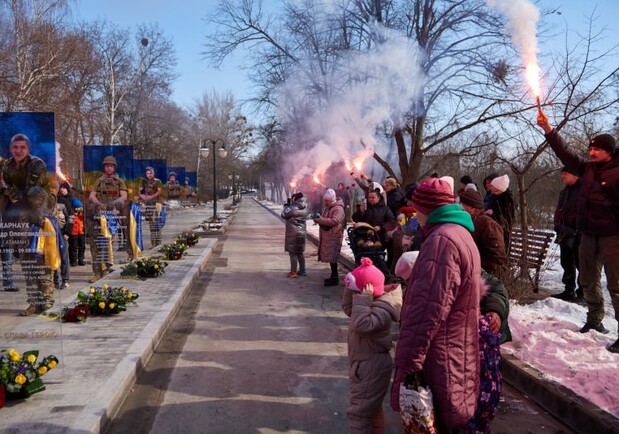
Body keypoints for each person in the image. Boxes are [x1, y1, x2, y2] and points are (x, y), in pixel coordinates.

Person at [390, 177, 482, 431]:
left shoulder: (441, 241)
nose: (414, 214)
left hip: (438, 353)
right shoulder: (460, 233)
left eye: (416, 208)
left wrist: (408, 361)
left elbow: (427, 311)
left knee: (434, 422)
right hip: (456, 348)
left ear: (425, 209)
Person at [537, 110, 619, 352]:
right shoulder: (587, 168)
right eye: (591, 148)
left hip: (612, 235)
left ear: (609, 151)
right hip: (587, 233)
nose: (591, 152)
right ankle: (594, 321)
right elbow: (564, 152)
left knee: (616, 284)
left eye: (598, 149)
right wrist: (548, 129)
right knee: (587, 279)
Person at [342, 257, 402, 433]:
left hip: (371, 367)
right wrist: (351, 289)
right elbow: (349, 309)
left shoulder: (382, 309)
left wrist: (363, 299)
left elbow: (362, 325)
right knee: (371, 408)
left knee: (359, 412)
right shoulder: (371, 304)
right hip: (365, 364)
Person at [2, 133, 56, 315]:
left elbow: (27, 193)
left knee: (42, 260)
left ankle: (47, 301)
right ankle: (33, 302)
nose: (18, 151)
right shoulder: (7, 166)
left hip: (42, 208)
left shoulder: (37, 164)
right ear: (11, 149)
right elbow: (9, 193)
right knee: (27, 262)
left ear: (28, 149)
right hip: (21, 217)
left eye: (22, 147)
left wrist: (10, 192)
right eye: (15, 147)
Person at [87, 155, 128, 282]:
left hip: (112, 216)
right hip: (99, 216)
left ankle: (106, 268)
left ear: (114, 167)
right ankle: (97, 272)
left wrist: (113, 204)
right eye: (107, 166)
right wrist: (99, 204)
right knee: (96, 244)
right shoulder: (99, 181)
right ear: (104, 167)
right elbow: (91, 196)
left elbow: (124, 196)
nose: (109, 168)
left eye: (111, 166)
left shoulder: (119, 181)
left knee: (107, 244)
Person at [459, 189, 508, 279]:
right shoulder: (467, 221)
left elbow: (497, 258)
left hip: (482, 277)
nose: (460, 208)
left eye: (463, 205)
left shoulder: (488, 224)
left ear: (472, 208)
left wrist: (476, 269)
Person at [553, 166, 584, 303]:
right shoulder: (564, 191)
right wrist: (558, 225)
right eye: (562, 174)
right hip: (564, 232)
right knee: (566, 262)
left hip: (580, 234)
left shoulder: (584, 191)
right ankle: (568, 290)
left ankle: (583, 295)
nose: (562, 176)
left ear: (575, 175)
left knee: (582, 265)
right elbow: (560, 210)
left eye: (565, 173)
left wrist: (577, 230)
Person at [312, 188, 346, 286]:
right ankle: (333, 276)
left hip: (334, 236)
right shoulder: (329, 207)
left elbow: (334, 221)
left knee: (333, 258)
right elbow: (325, 219)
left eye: (326, 200)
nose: (325, 202)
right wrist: (317, 219)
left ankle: (335, 278)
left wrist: (320, 219)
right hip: (329, 236)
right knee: (331, 259)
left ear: (331, 200)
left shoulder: (338, 208)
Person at [50, 180, 72, 290]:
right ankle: (55, 280)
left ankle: (65, 280)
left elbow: (70, 218)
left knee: (64, 258)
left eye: (54, 188)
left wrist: (67, 232)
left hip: (62, 235)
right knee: (52, 257)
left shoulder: (63, 202)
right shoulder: (45, 202)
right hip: (50, 235)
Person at [281, 192, 308, 277]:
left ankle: (293, 272)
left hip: (293, 233)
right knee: (300, 252)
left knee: (292, 253)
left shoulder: (292, 208)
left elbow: (283, 214)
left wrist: (286, 206)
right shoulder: (305, 207)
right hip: (302, 233)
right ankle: (302, 270)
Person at [486, 174, 515, 253]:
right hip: (494, 229)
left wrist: (493, 213)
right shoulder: (495, 197)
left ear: (497, 187)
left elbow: (507, 217)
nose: (489, 187)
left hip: (503, 231)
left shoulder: (507, 199)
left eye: (492, 186)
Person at [139, 166, 164, 247]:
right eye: (147, 173)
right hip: (148, 205)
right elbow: (141, 192)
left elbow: (159, 192)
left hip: (157, 204)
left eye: (150, 173)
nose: (149, 175)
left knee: (157, 224)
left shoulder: (157, 182)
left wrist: (152, 197)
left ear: (153, 173)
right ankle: (153, 244)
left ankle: (158, 242)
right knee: (151, 225)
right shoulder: (145, 182)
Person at [69, 196, 86, 266]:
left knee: (82, 246)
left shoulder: (82, 214)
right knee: (73, 247)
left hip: (81, 231)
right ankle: (73, 260)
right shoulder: (71, 213)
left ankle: (81, 259)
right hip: (73, 232)